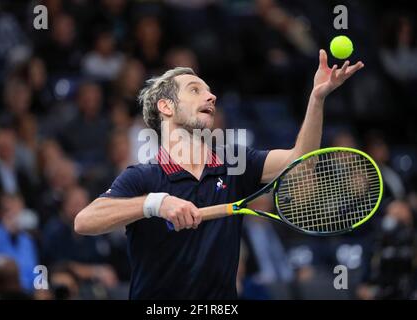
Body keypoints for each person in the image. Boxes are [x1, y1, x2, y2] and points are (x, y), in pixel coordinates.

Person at [75, 50, 364, 299]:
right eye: (194, 90)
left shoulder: (234, 164)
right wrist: (155, 204)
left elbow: (300, 162)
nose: (211, 96)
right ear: (166, 107)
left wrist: (316, 99)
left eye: (209, 90)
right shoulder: (142, 177)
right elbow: (85, 221)